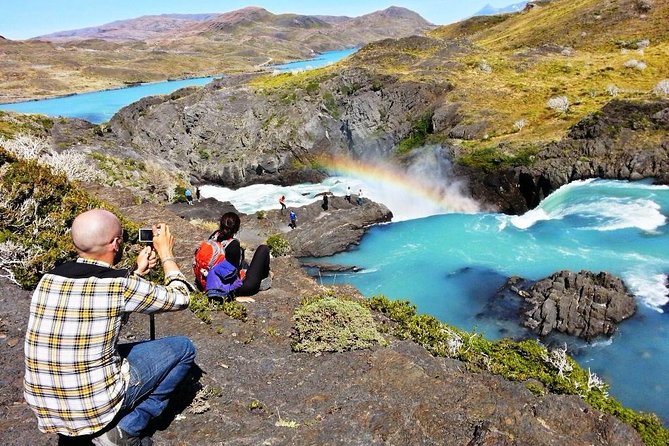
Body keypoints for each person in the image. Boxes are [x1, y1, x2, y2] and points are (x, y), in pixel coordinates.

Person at [24, 209, 196, 446]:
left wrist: (137, 273)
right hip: (94, 408)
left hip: (46, 407)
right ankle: (127, 428)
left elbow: (96, 307)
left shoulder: (48, 279)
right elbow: (181, 297)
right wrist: (166, 254)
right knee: (184, 348)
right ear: (115, 243)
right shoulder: (119, 285)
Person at [206, 212, 271, 298]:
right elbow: (232, 275)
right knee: (264, 249)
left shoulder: (214, 236)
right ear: (237, 229)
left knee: (244, 263)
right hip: (236, 288)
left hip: (211, 280)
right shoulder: (233, 245)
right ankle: (263, 278)